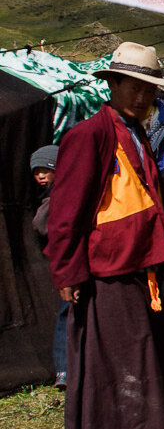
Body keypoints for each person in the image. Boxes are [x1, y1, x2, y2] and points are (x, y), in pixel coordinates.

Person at [45, 41, 164, 429]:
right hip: (105, 267)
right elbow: (67, 211)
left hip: (136, 262)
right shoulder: (89, 135)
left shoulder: (135, 132)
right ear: (113, 84)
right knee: (108, 357)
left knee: (137, 351)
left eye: (149, 90)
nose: (143, 98)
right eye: (134, 88)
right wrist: (67, 270)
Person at [29, 144, 68, 390]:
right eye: (36, 172)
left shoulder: (60, 195)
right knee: (66, 313)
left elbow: (42, 224)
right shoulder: (51, 196)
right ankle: (64, 369)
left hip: (69, 263)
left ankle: (65, 369)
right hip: (62, 264)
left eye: (45, 169)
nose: (40, 176)